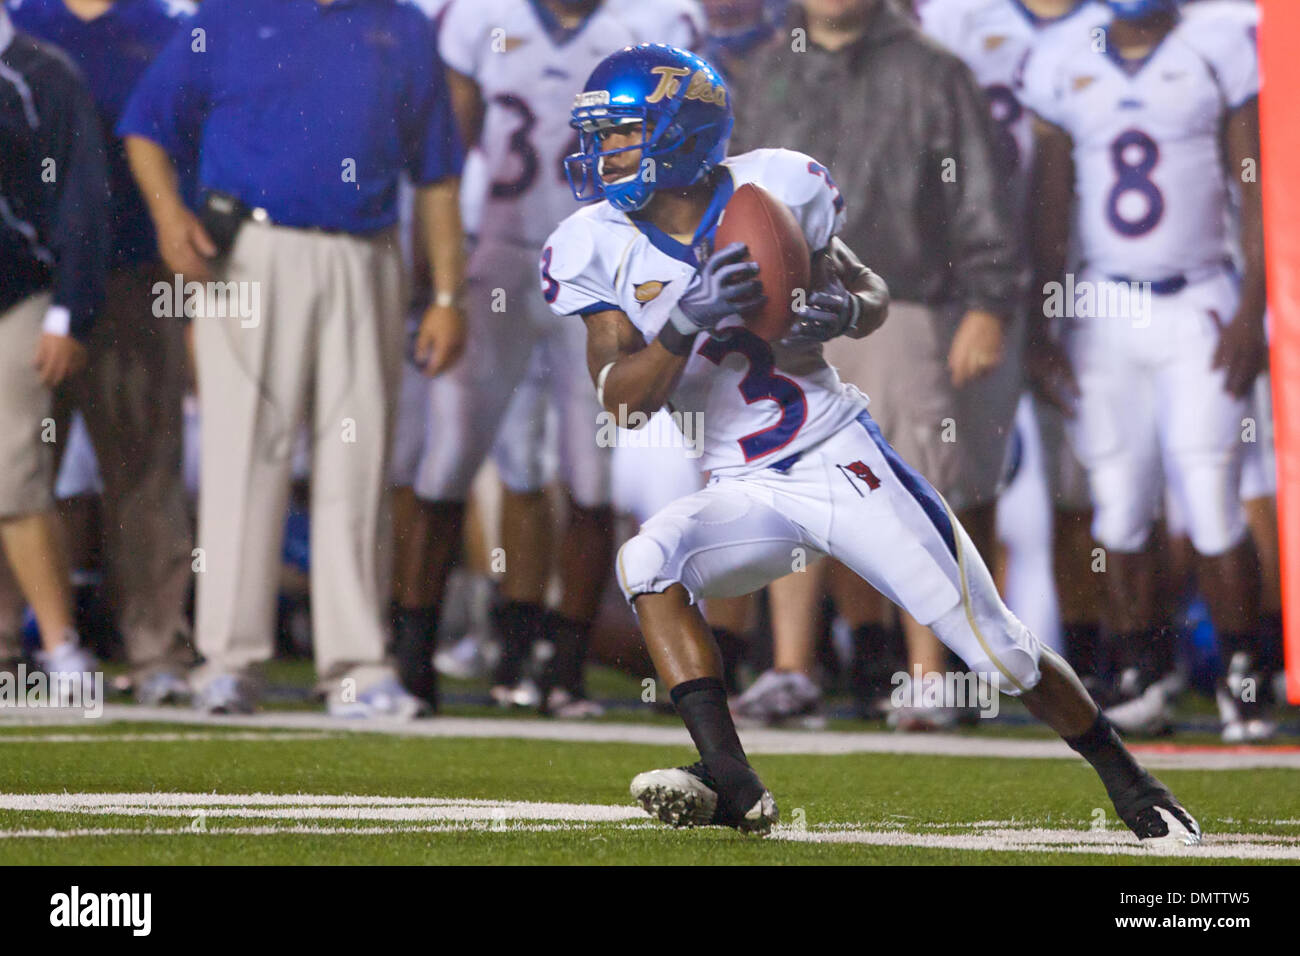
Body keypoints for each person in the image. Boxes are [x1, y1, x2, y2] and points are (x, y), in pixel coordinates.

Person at [544, 42, 1201, 846]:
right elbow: (621, 399)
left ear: (680, 133)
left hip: (839, 459)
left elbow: (869, 289)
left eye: (622, 133)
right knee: (647, 561)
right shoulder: (592, 241)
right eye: (600, 134)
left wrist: (846, 311)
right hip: (743, 482)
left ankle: (1134, 785)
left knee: (995, 651)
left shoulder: (777, 188)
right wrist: (684, 322)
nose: (603, 151)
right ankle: (732, 779)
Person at [119, 0, 466, 717]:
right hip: (249, 252)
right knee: (242, 454)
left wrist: (449, 295)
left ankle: (358, 670)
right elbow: (145, 125)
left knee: (360, 461)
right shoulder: (231, 14)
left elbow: (437, 173)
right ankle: (228, 661)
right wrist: (167, 217)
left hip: (366, 254)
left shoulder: (399, 24)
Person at [397, 0, 703, 716]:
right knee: (451, 460)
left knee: (590, 473)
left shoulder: (645, 28)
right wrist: (434, 275)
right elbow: (444, 152)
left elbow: (676, 162)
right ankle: (413, 662)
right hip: (497, 259)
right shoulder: (482, 19)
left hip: (598, 265)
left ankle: (561, 666)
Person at [727, 0, 1025, 728]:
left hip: (907, 296)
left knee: (915, 486)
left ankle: (930, 676)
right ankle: (791, 669)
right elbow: (728, 194)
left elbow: (981, 193)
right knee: (787, 480)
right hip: (783, 306)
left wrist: (988, 298)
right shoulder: (766, 66)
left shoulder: (936, 71)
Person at [1022, 0, 1272, 741]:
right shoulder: (1066, 54)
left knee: (1212, 493)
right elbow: (1049, 205)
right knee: (1119, 501)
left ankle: (1242, 675)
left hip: (1199, 295)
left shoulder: (1216, 40)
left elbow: (1254, 184)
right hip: (1102, 305)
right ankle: (1141, 670)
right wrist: (1041, 323)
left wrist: (1253, 304)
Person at [917, 0, 1112, 701]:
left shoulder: (1119, 22)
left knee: (1085, 488)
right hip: (975, 283)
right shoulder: (956, 16)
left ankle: (1092, 663)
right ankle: (972, 664)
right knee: (964, 481)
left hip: (1093, 283)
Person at [8, 0, 198, 705]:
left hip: (132, 278)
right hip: (34, 286)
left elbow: (198, 145)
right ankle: (7, 647)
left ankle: (157, 654)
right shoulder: (22, 26)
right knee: (15, 473)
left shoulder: (171, 30)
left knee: (145, 470)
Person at [0, 3, 109, 698]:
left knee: (14, 479)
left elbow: (82, 198)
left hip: (22, 295)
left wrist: (69, 309)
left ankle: (64, 648)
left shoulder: (45, 76)